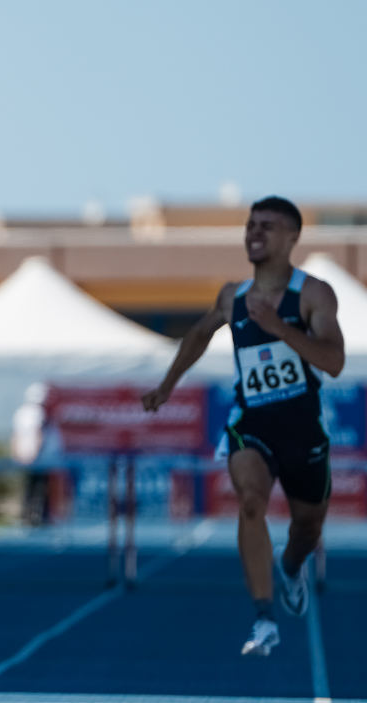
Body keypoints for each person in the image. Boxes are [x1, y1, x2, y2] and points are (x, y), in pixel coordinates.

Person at [142, 196, 344, 657]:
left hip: (304, 431)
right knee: (250, 501)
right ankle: (264, 617)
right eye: (251, 225)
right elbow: (198, 335)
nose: (254, 232)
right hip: (250, 423)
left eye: (267, 226)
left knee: (307, 528)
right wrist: (168, 385)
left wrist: (279, 327)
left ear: (292, 237)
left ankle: (291, 567)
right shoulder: (232, 296)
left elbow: (333, 361)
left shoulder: (313, 294)